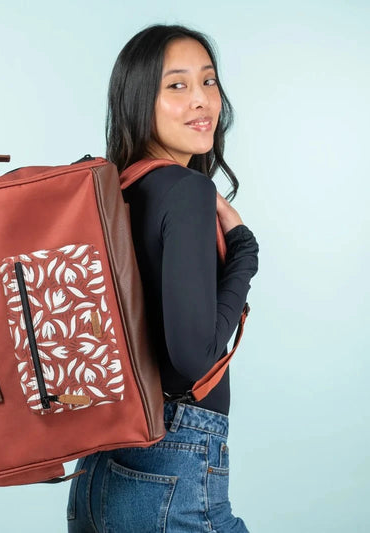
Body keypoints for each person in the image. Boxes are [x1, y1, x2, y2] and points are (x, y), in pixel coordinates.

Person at [67, 23, 259, 533]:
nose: (201, 100)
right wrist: (245, 253)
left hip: (97, 473)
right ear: (139, 101)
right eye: (177, 85)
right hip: (172, 467)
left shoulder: (114, 192)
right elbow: (193, 358)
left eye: (208, 81)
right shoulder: (186, 192)